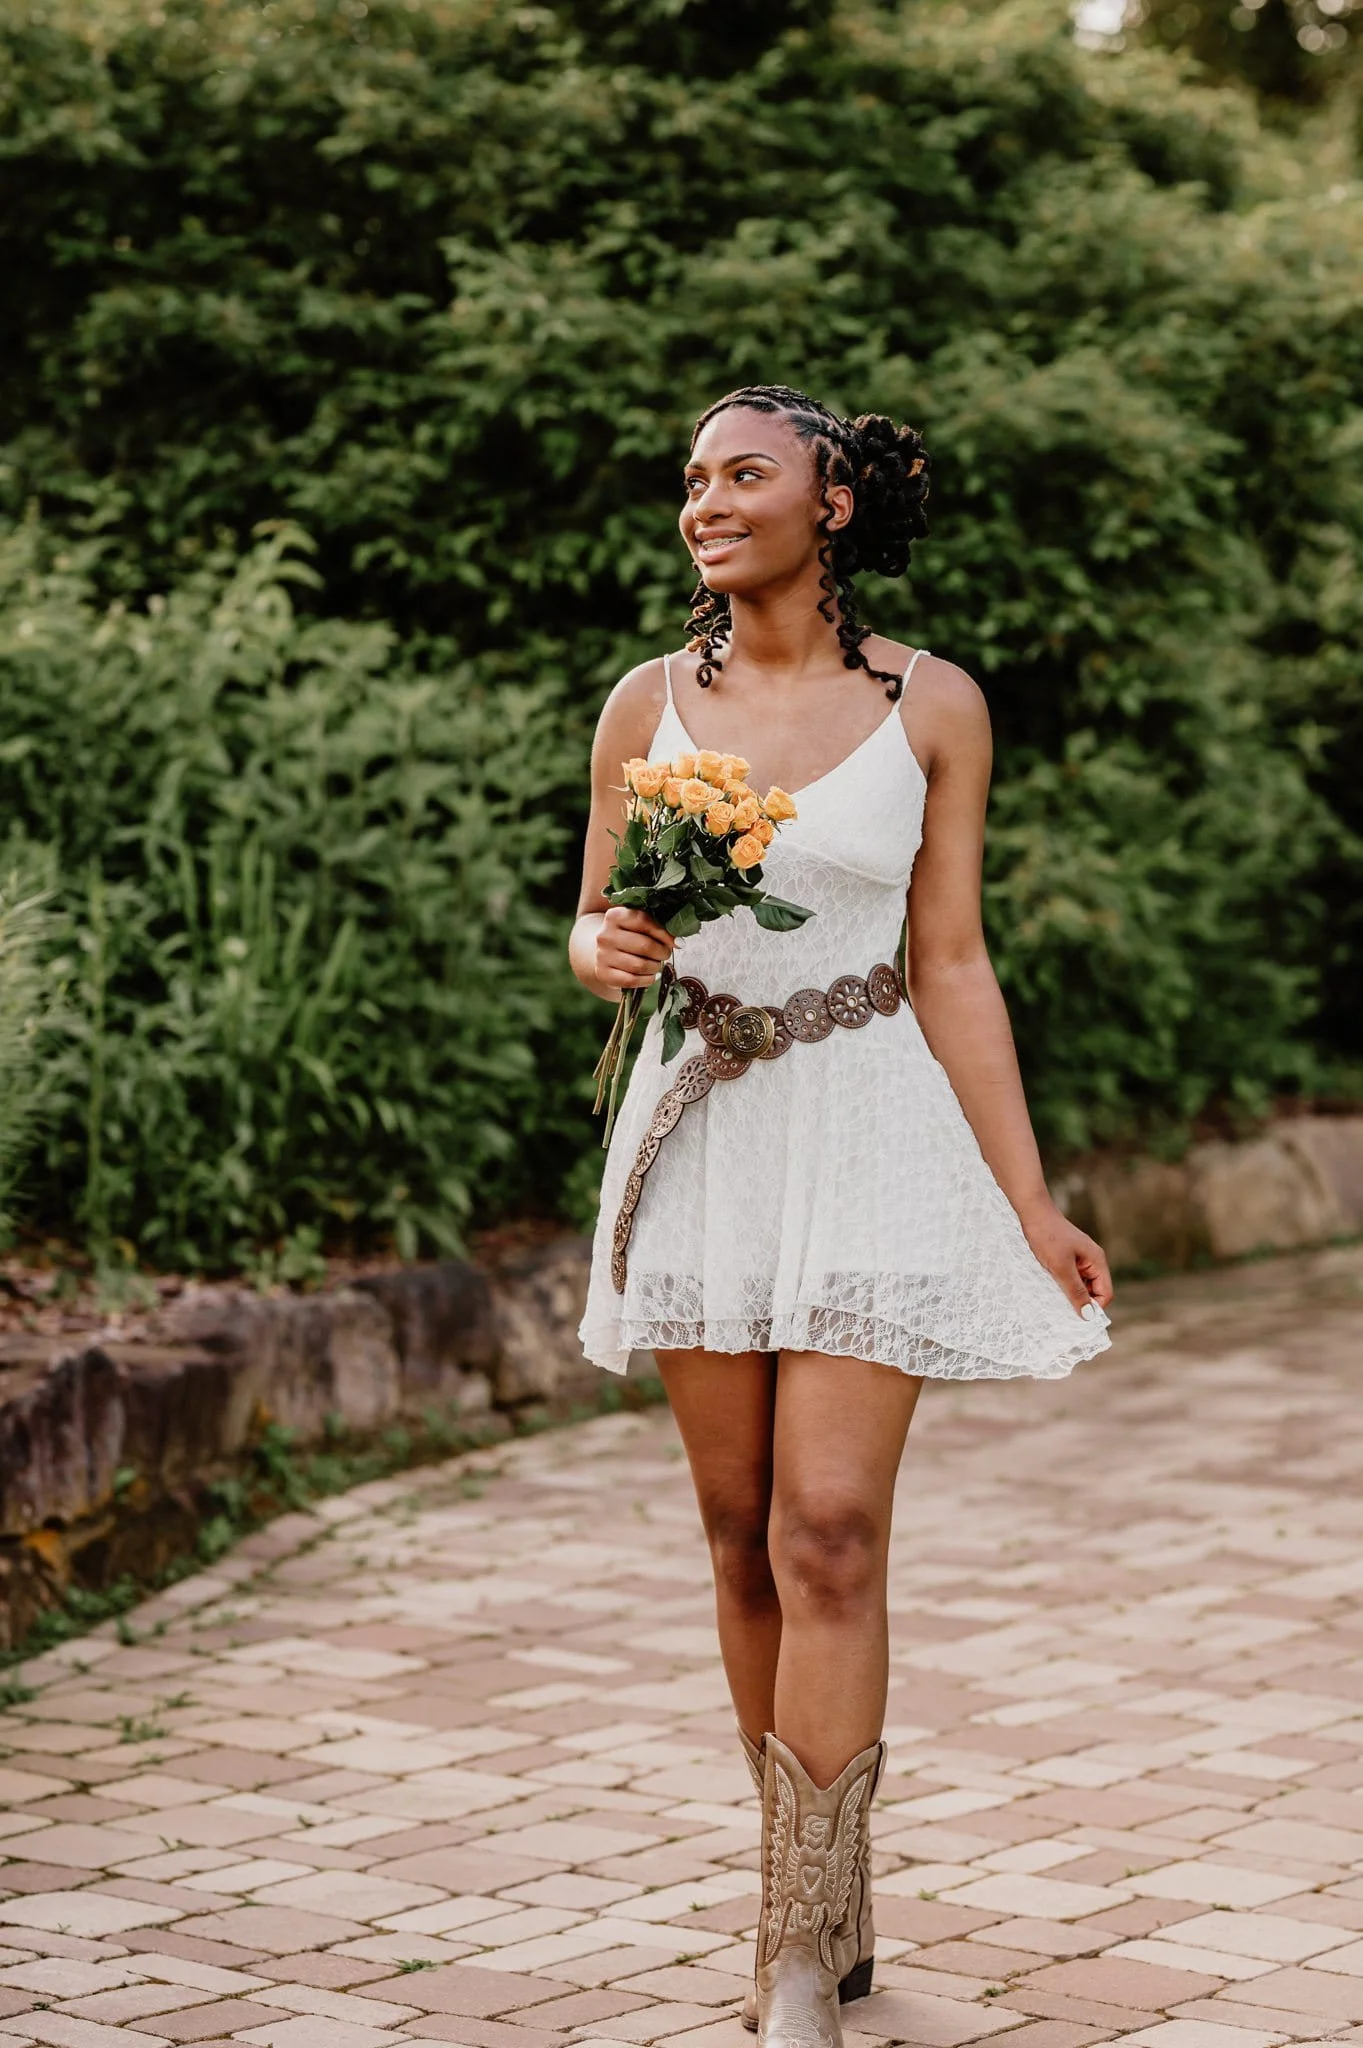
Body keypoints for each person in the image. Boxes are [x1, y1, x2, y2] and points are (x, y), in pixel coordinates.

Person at [568, 384, 1113, 2048]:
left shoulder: (932, 704)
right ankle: (824, 1885)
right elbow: (594, 919)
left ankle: (794, 1950)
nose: (705, 502)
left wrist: (1023, 1197)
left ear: (836, 504)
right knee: (736, 1537)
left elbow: (949, 959)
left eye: (743, 474)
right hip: (703, 1135)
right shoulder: (645, 705)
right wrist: (600, 952)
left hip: (869, 1120)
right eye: (692, 481)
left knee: (826, 1530)